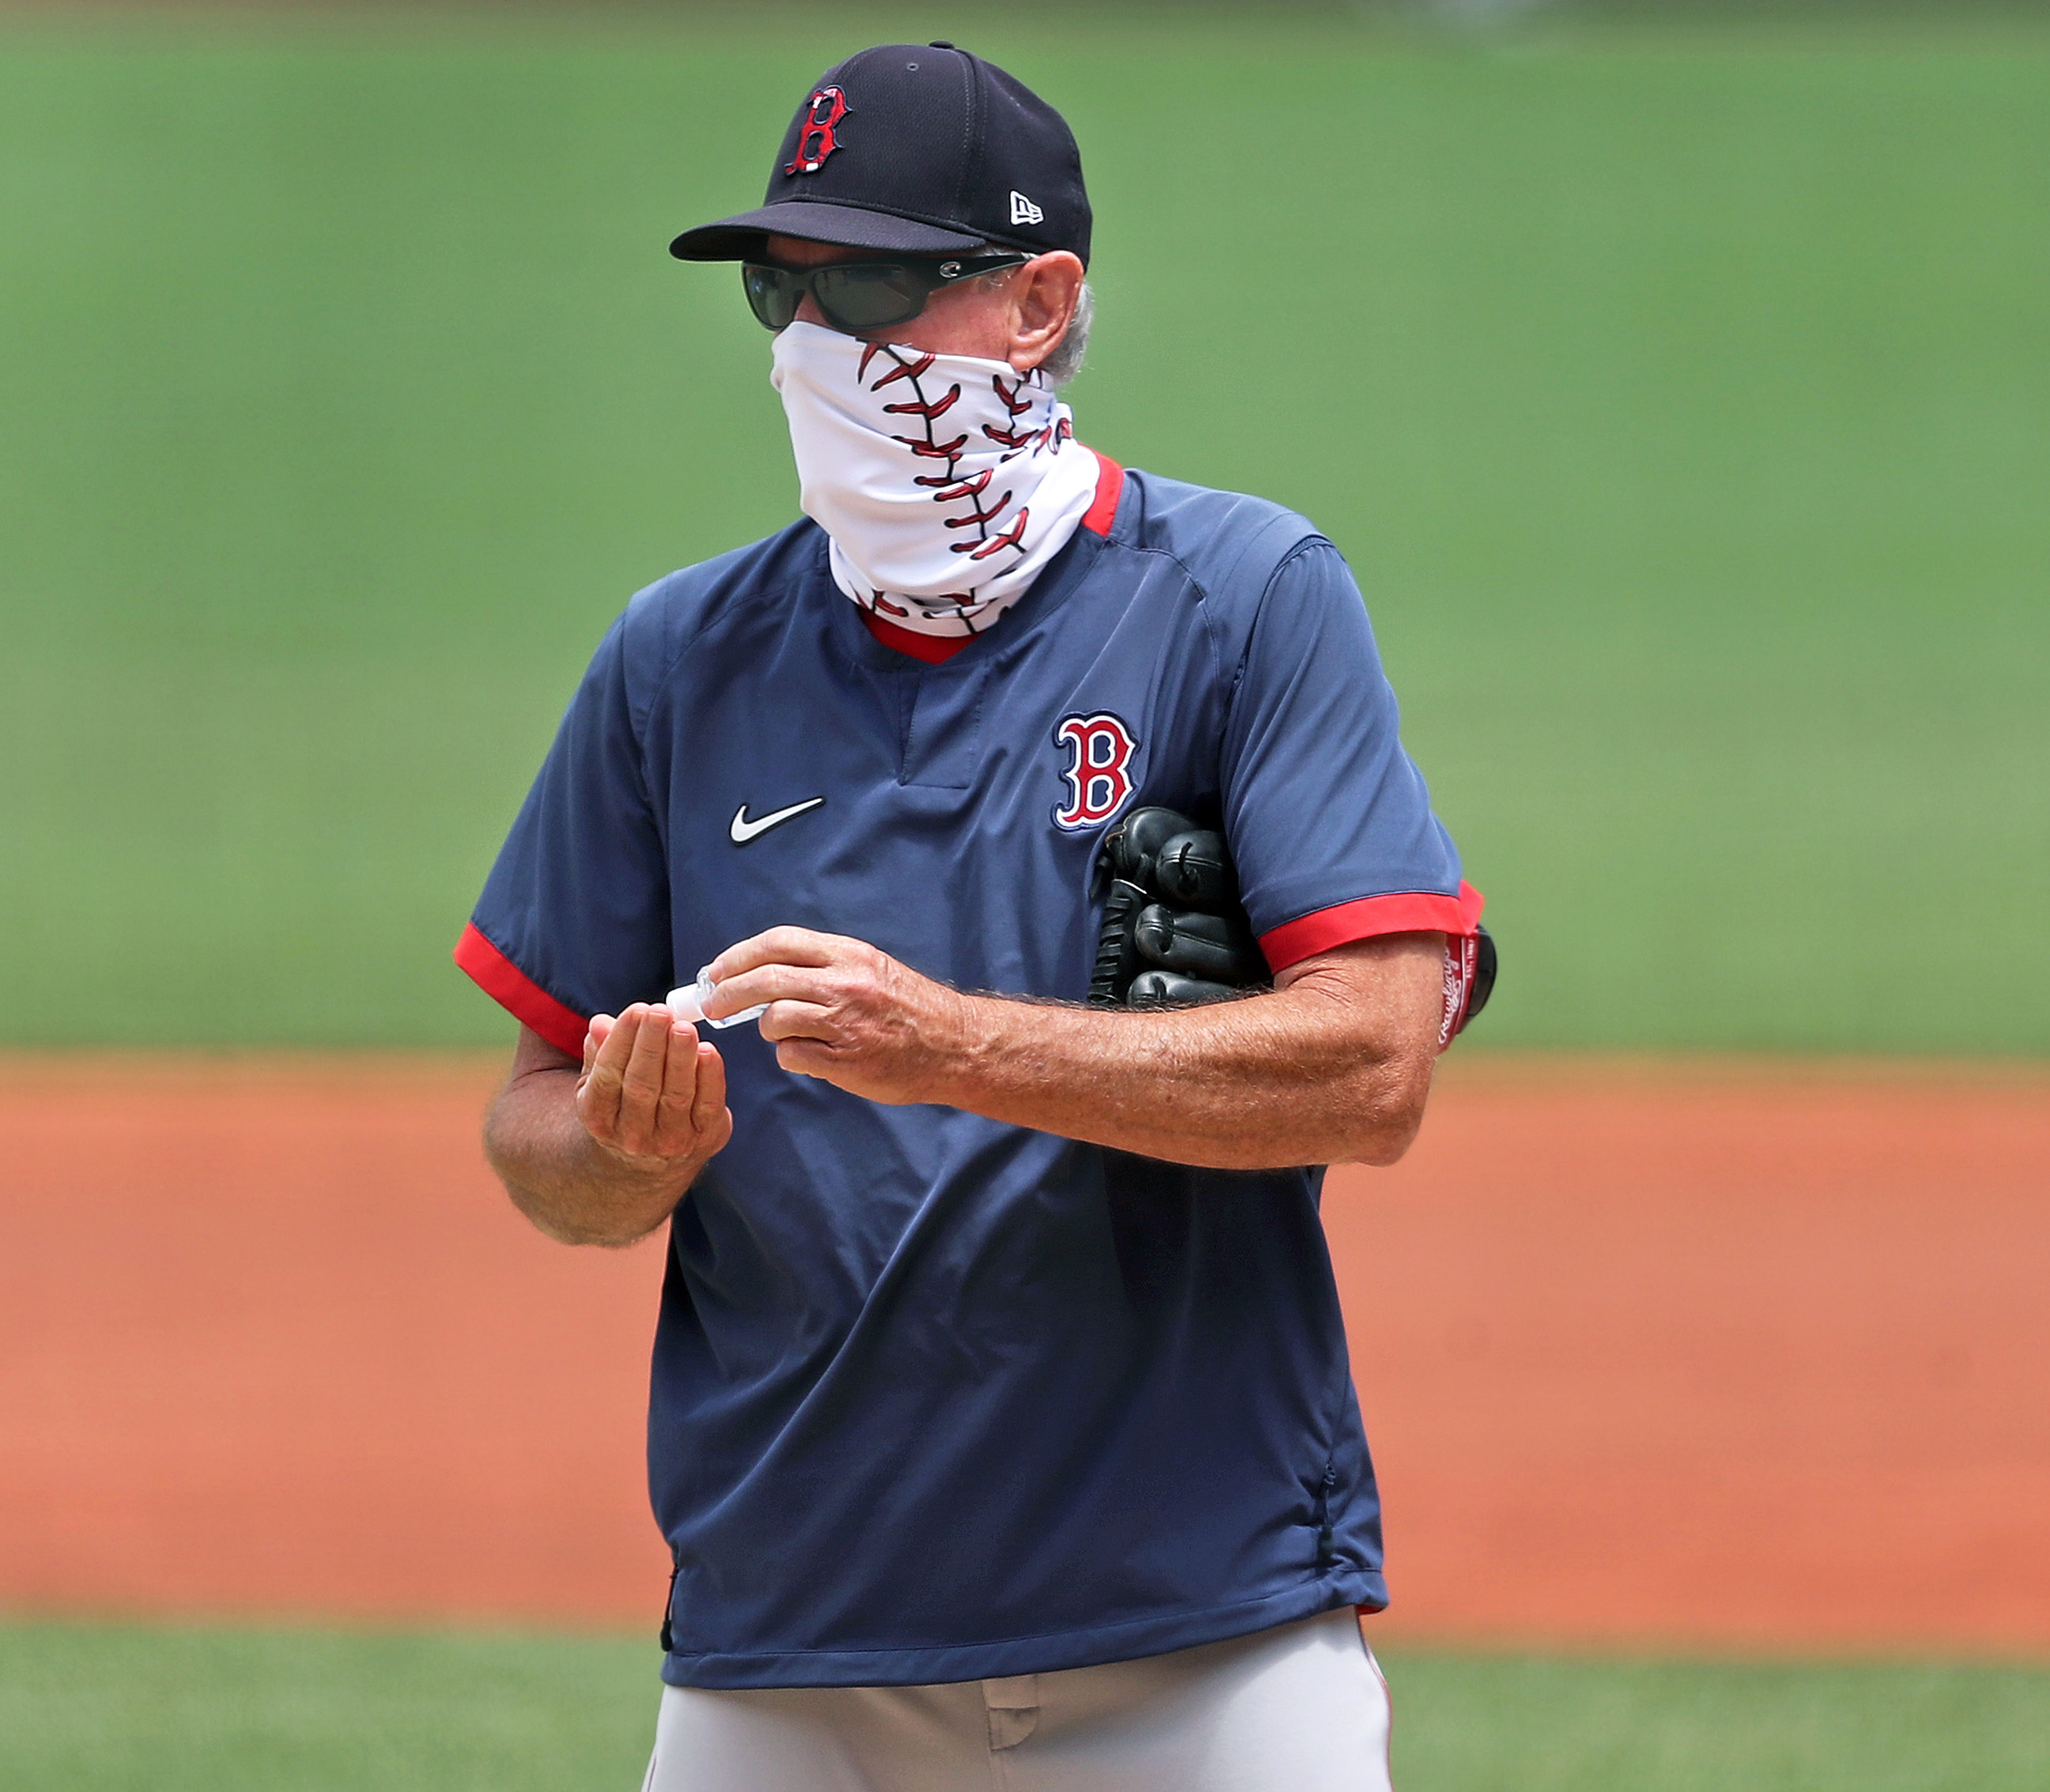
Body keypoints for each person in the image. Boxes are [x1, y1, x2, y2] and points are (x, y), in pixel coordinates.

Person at [454, 41, 1484, 1791]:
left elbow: (1377, 1066)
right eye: (781, 289)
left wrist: (947, 1046)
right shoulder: (677, 660)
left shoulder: (1238, 600)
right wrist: (622, 1151)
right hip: (785, 1655)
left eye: (863, 282)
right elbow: (536, 1128)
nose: (806, 341)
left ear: (1037, 300)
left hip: (1204, 1641)